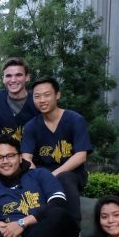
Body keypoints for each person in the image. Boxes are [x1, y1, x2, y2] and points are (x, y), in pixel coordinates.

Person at [21, 77, 92, 224]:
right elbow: (26, 157)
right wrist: (36, 174)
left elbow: (81, 156)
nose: (42, 100)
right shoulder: (31, 126)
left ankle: (74, 228)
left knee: (64, 177)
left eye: (47, 95)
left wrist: (51, 176)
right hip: (42, 172)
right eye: (37, 96)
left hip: (71, 174)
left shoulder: (75, 119)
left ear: (57, 95)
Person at [0, 57, 39, 142]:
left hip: (34, 153)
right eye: (8, 76)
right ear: (3, 79)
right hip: (7, 153)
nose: (13, 80)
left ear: (27, 77)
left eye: (18, 75)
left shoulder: (38, 101)